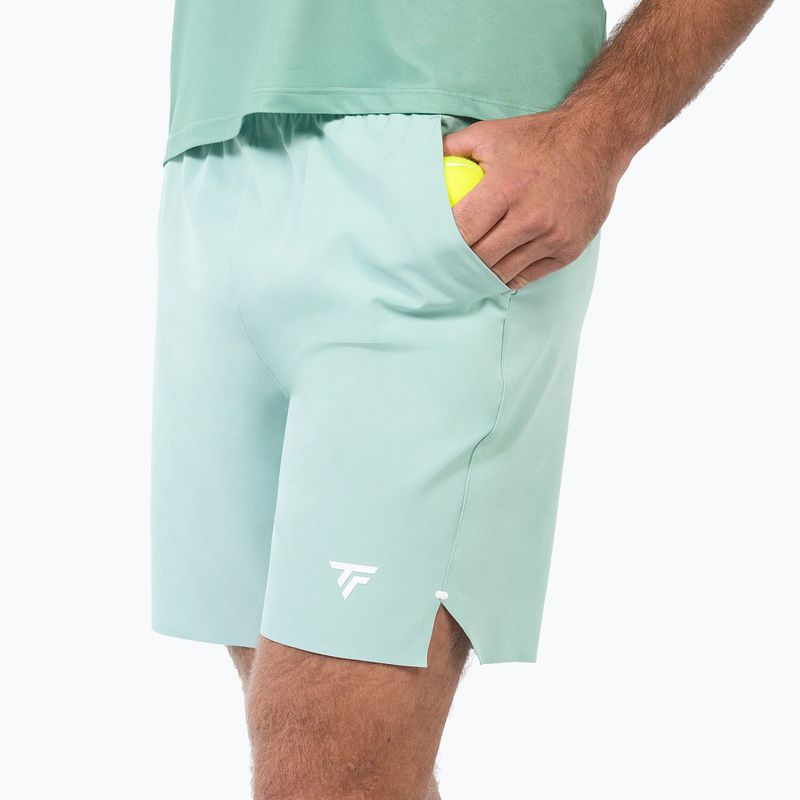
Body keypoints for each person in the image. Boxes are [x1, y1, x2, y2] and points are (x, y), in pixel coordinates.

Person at [150, 1, 773, 797]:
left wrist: (597, 131)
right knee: (342, 757)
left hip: (447, 167)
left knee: (323, 760)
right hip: (211, 156)